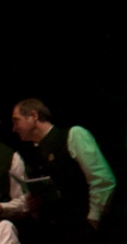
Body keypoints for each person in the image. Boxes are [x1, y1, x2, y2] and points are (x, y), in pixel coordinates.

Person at [9, 99, 116, 233]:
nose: (14, 128)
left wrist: (93, 219)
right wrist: (35, 206)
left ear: (34, 116)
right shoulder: (32, 154)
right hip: (56, 233)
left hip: (84, 229)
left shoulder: (73, 135)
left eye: (16, 120)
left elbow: (102, 180)